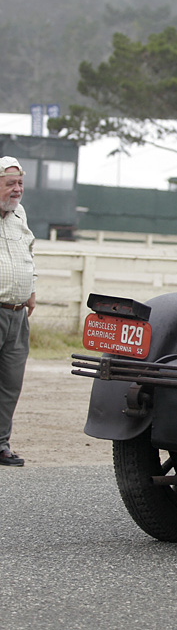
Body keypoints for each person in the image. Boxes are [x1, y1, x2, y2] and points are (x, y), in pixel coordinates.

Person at [0, 156, 36, 467]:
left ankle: (1, 444)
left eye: (20, 183)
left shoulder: (19, 214)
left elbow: (28, 251)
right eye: (10, 183)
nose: (17, 189)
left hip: (17, 313)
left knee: (10, 384)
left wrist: (31, 290)